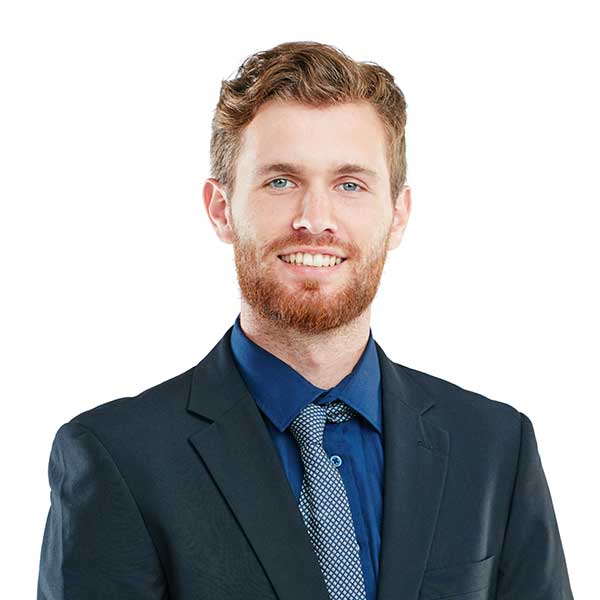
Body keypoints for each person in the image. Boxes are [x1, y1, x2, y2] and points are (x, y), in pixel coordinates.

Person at [37, 41, 574, 600]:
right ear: (221, 210)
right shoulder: (117, 457)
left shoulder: (494, 448)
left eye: (350, 184)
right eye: (281, 181)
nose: (315, 220)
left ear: (398, 215)